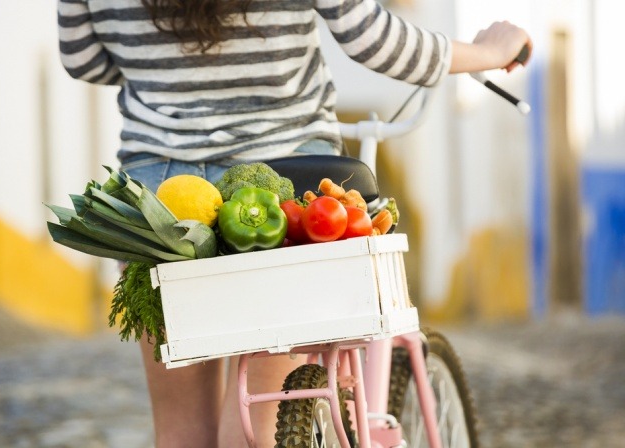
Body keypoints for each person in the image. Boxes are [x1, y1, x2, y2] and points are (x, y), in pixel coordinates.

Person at [57, 0, 532, 446]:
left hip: (159, 202)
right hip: (283, 189)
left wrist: (168, 62)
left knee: (181, 428)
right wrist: (489, 51)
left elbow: (83, 60)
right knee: (259, 423)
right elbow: (373, 38)